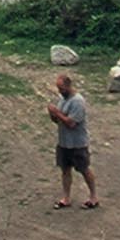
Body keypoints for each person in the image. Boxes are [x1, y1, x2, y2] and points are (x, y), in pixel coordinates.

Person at [47, 73, 99, 209]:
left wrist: (57, 113)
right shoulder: (62, 99)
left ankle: (93, 196)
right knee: (65, 170)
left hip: (77, 144)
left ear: (68, 86)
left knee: (84, 169)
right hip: (64, 142)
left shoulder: (77, 102)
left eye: (62, 88)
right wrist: (52, 115)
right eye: (58, 88)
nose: (60, 91)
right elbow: (59, 121)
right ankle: (66, 197)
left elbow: (71, 123)